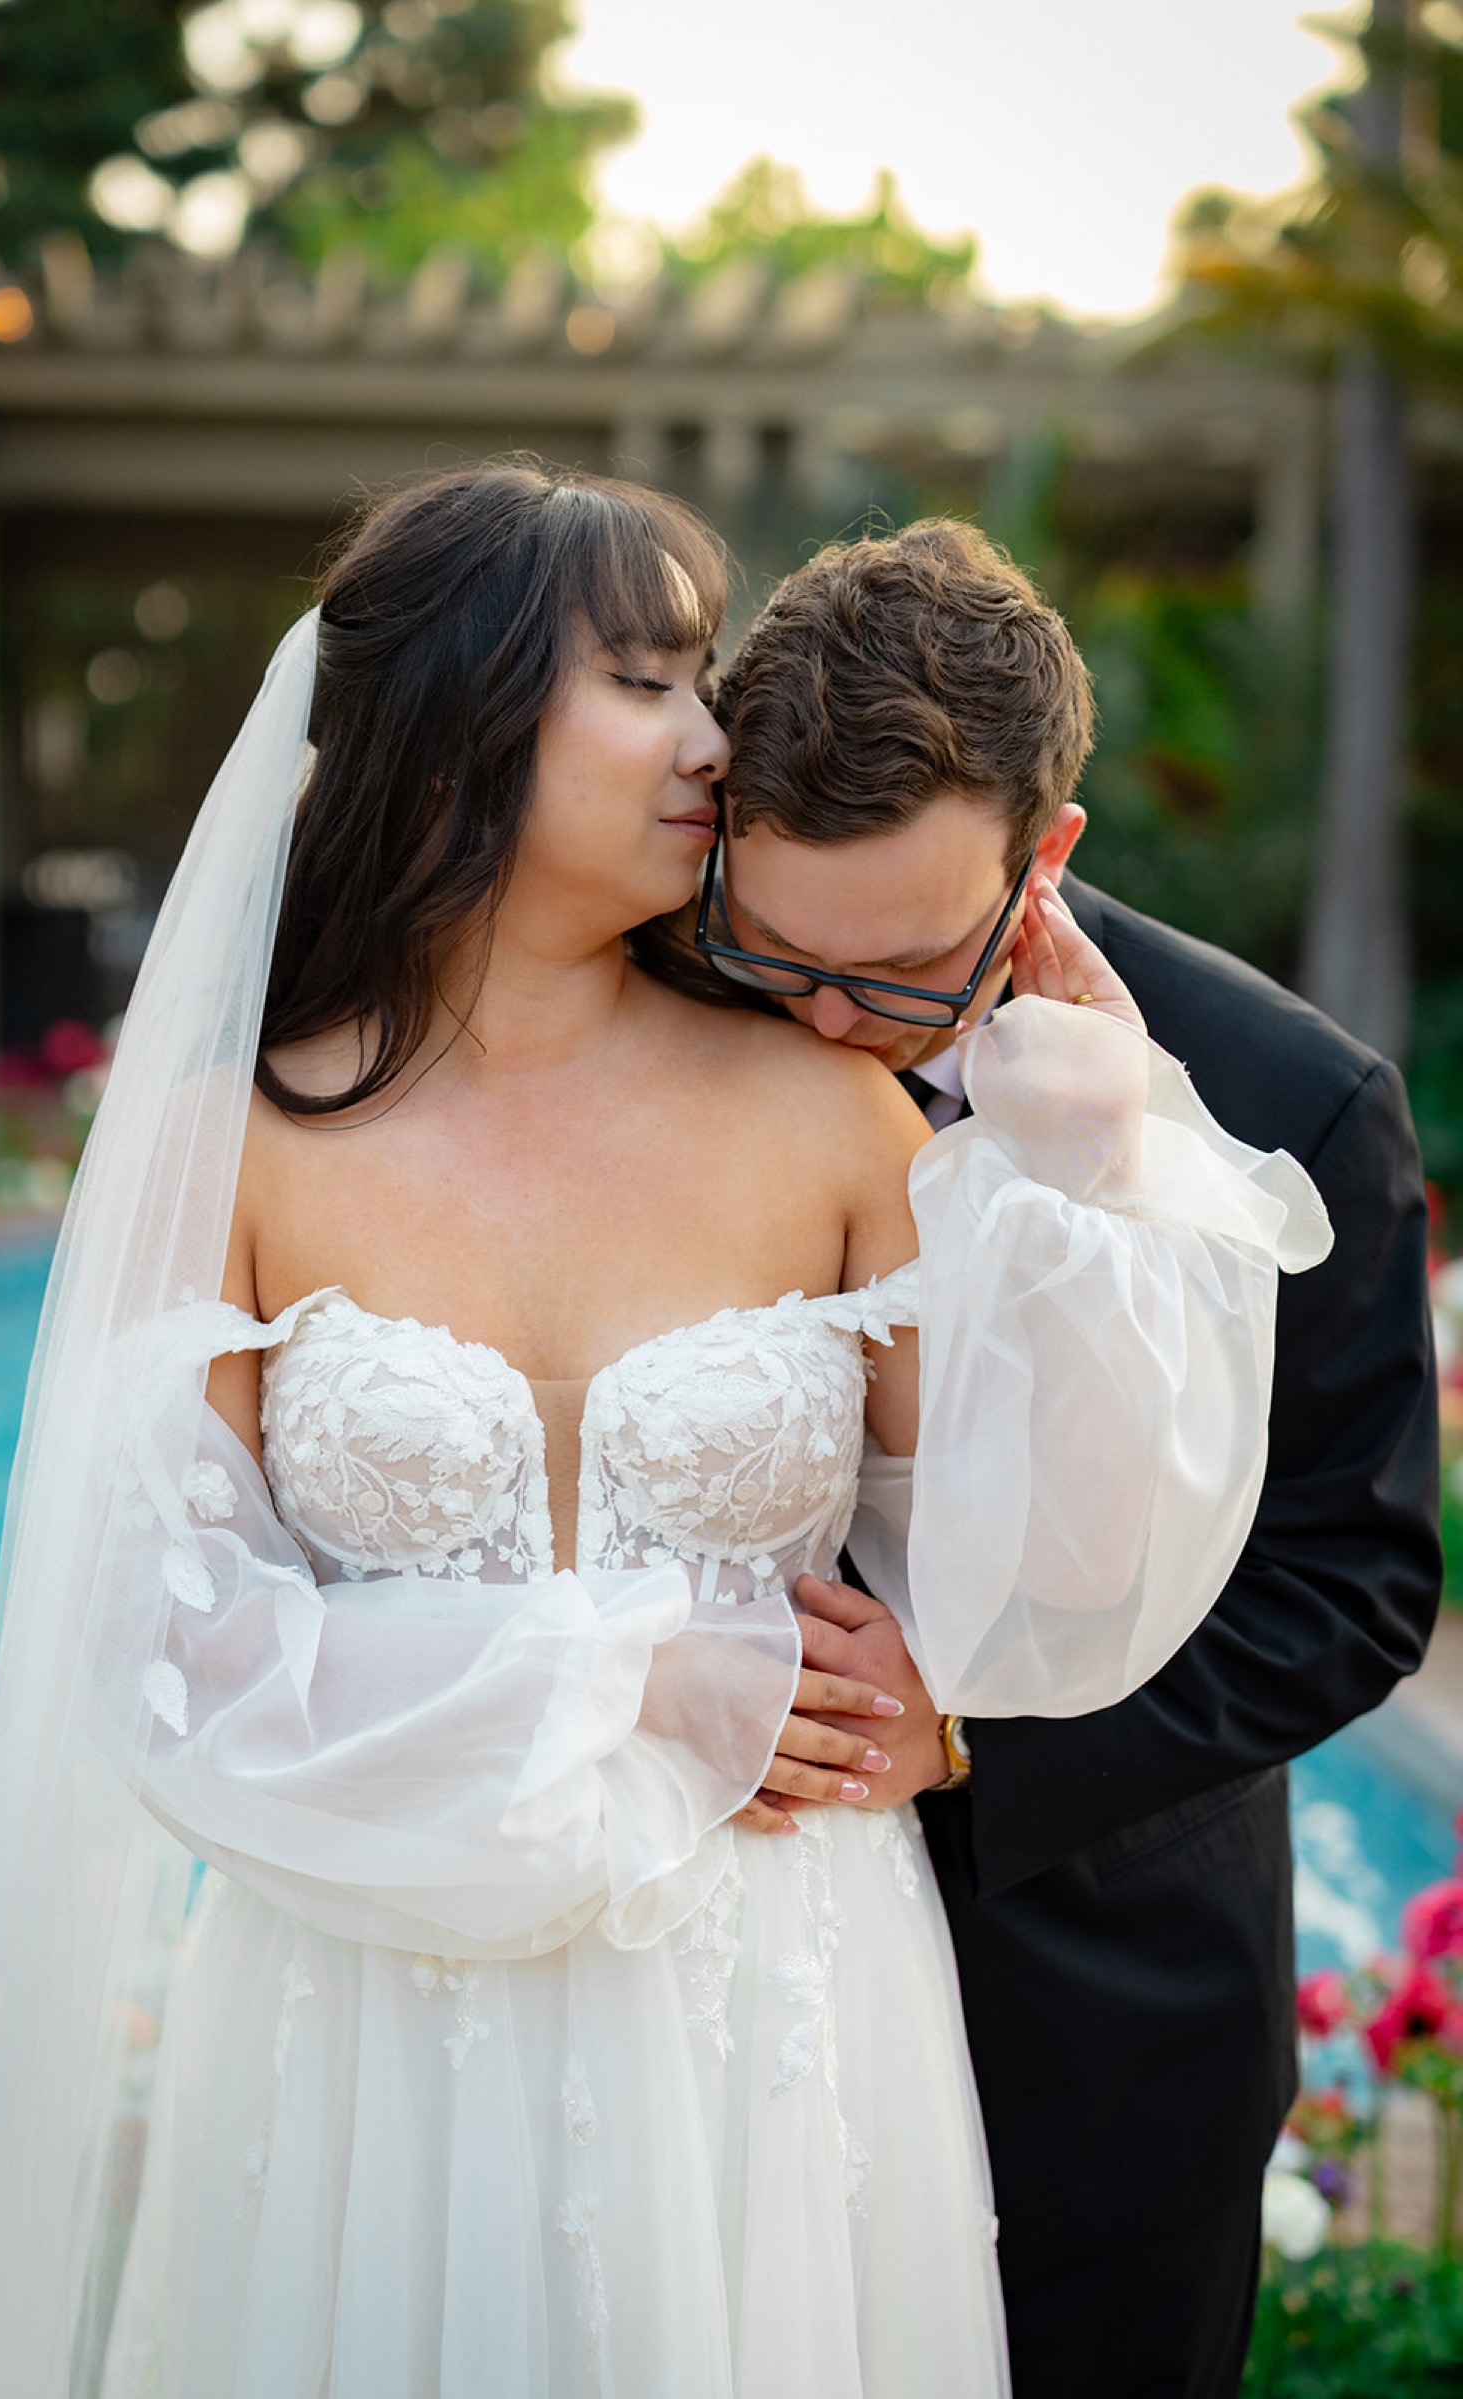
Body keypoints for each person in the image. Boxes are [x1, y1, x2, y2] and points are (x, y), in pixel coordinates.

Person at [0, 468, 1327, 2399]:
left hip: (777, 2010)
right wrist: (635, 1669)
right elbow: (158, 1654)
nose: (715, 737)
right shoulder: (234, 1139)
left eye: (698, 675)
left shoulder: (838, 1118)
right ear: (465, 718)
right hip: (364, 2009)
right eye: (645, 678)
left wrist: (1080, 1172)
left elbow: (1057, 1582)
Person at [698, 516, 1441, 2399]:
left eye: (901, 977)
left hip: (1102, 2006)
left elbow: (1352, 1587)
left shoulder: (1294, 1100)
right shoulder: (669, 1007)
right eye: (777, 953)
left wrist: (963, 1711)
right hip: (701, 1991)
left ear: (1050, 859)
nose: (829, 1027)